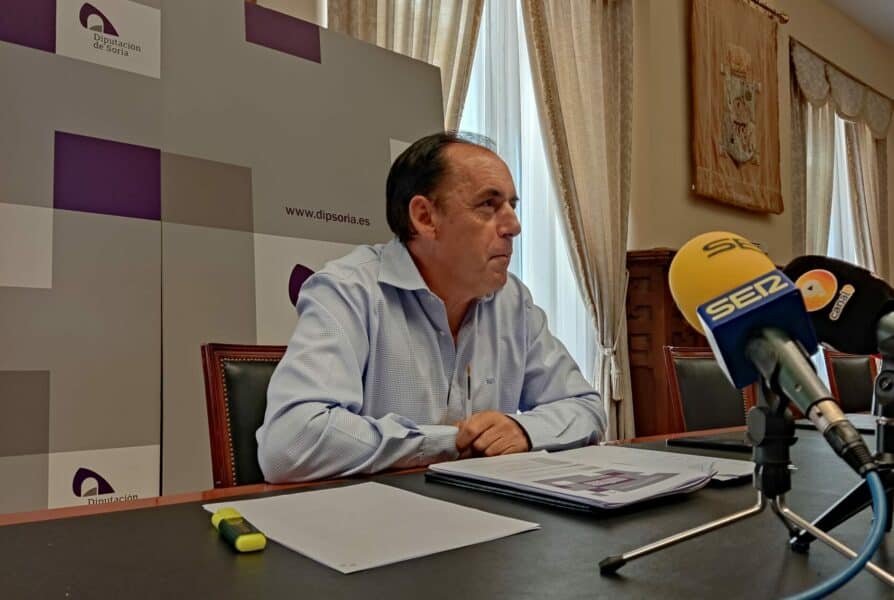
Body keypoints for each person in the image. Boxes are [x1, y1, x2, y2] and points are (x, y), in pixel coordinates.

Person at [257, 131, 606, 482]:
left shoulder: (512, 300)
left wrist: (524, 431)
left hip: (485, 507)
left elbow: (586, 408)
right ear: (425, 217)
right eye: (489, 204)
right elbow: (290, 442)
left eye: (511, 206)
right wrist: (450, 442)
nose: (513, 226)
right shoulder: (348, 290)